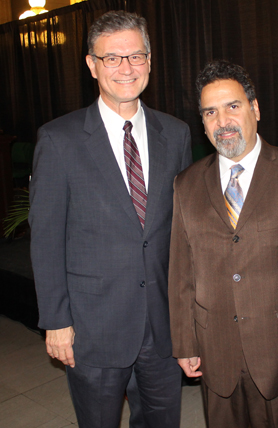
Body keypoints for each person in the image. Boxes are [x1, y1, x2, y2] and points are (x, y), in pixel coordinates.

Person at [28, 10, 191, 428]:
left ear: (150, 61)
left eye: (136, 56)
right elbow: (46, 238)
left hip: (162, 326)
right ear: (91, 64)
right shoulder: (58, 139)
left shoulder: (175, 134)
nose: (126, 68)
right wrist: (57, 321)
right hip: (92, 326)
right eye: (112, 58)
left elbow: (183, 232)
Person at [168, 60, 278, 428]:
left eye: (232, 106)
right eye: (210, 112)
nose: (222, 121)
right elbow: (180, 273)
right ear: (202, 123)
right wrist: (185, 342)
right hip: (214, 349)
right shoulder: (186, 185)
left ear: (255, 109)